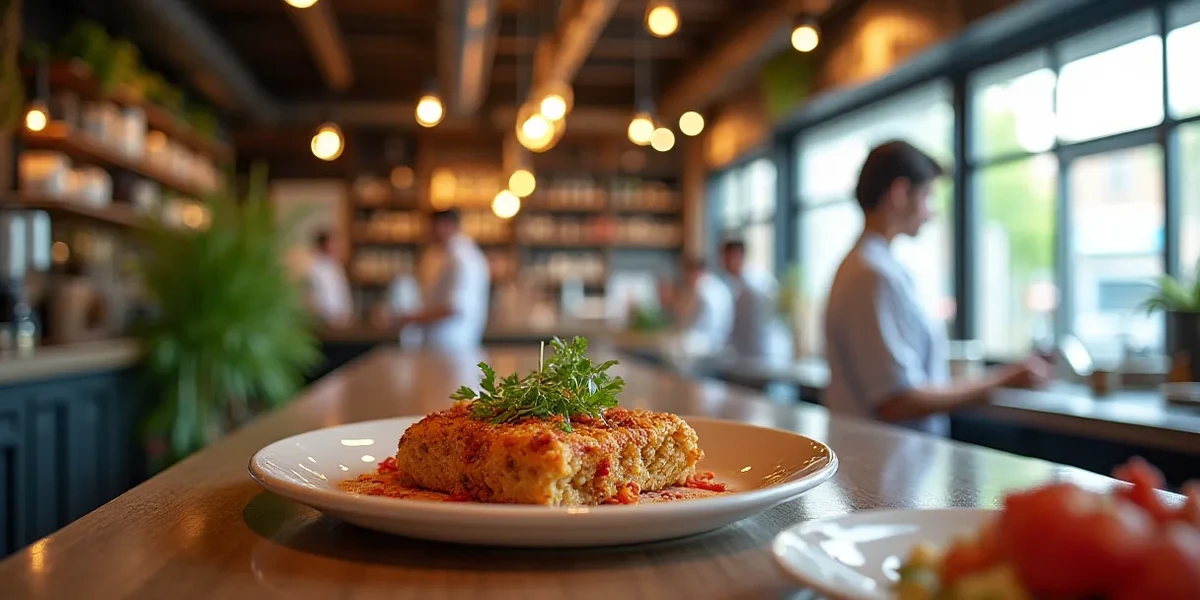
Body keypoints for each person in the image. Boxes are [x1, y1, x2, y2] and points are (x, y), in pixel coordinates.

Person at [823, 140, 1050, 436]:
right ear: (901, 193)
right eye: (928, 196)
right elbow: (896, 400)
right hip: (886, 463)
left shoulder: (867, 266)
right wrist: (1001, 380)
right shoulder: (871, 274)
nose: (931, 213)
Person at [374, 209, 490, 351]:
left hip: (451, 344)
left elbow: (453, 308)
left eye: (430, 227)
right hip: (445, 344)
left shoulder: (460, 258)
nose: (427, 233)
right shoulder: (448, 254)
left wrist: (408, 319)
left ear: (444, 225)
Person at [720, 239, 793, 365]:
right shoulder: (740, 286)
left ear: (736, 256)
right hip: (756, 355)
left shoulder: (755, 284)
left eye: (725, 258)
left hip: (764, 356)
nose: (723, 263)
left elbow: (754, 327)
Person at [670, 257, 734, 355]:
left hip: (705, 343)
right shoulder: (718, 285)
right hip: (722, 341)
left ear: (694, 272)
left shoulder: (700, 288)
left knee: (671, 345)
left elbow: (684, 321)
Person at [306, 229, 353, 327]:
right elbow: (314, 298)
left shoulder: (336, 267)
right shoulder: (315, 269)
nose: (338, 246)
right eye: (333, 243)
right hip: (324, 322)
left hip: (341, 322)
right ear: (323, 245)